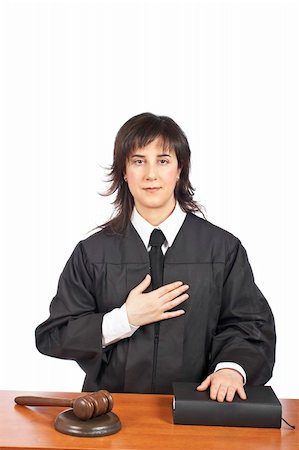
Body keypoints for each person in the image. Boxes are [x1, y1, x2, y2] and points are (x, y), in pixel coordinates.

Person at [35, 112, 276, 403]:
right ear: (124, 171)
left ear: (179, 169)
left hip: (198, 411)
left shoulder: (222, 249)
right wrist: (125, 318)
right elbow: (54, 335)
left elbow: (249, 325)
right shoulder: (93, 253)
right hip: (111, 413)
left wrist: (231, 369)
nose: (151, 174)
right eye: (138, 161)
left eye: (163, 161)